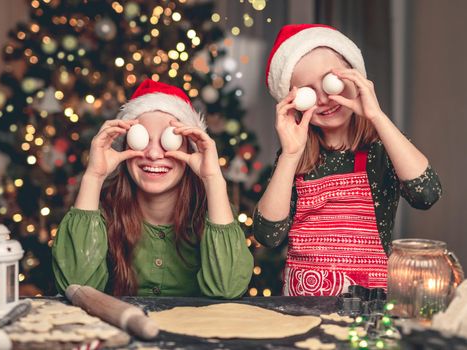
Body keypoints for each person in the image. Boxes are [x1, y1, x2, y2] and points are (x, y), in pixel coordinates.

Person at [253, 24, 442, 296]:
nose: (324, 99)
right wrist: (290, 155)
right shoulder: (293, 158)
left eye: (331, 80)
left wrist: (376, 116)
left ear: (355, 77)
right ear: (293, 102)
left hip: (367, 311)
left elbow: (427, 193)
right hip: (303, 309)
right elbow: (267, 235)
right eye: (307, 91)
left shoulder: (380, 150)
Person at [52, 79, 253, 298]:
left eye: (170, 139)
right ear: (126, 145)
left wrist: (213, 178)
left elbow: (229, 289)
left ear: (190, 148)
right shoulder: (103, 215)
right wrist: (93, 176)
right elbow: (76, 288)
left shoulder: (215, 214)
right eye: (142, 139)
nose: (154, 154)